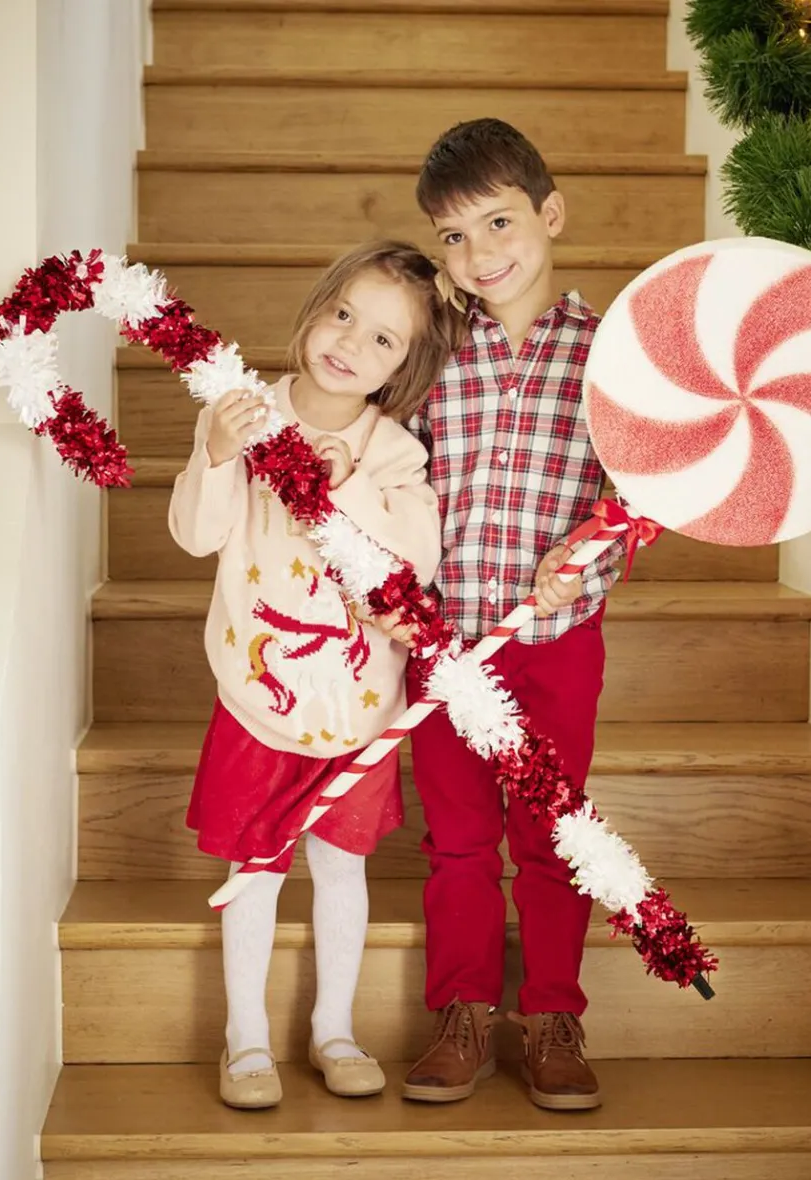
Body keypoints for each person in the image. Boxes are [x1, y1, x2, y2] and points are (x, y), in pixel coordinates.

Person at [169, 240, 461, 1109]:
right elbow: (195, 533)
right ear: (316, 307)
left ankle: (334, 1027)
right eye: (343, 315)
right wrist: (217, 452)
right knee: (255, 871)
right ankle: (246, 1038)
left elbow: (414, 559)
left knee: (341, 870)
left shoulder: (394, 455)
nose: (349, 344)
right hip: (258, 703)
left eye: (383, 340)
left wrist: (348, 487)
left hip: (354, 713)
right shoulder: (245, 414)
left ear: (402, 370)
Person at [392, 118, 622, 1111]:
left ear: (549, 213)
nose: (479, 253)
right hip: (447, 645)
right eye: (453, 236)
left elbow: (639, 495)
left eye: (498, 222)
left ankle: (554, 1016)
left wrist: (589, 554)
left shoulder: (611, 355)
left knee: (552, 833)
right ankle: (464, 1012)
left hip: (555, 644)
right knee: (455, 840)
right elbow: (394, 477)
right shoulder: (434, 349)